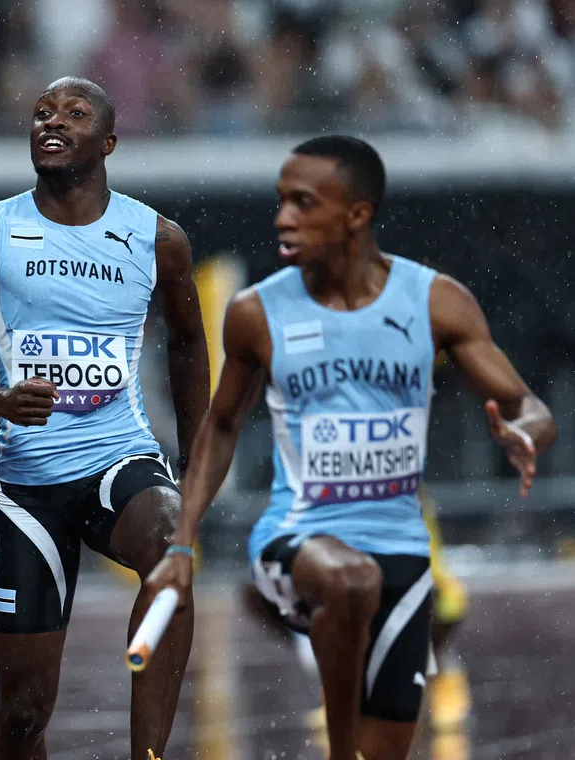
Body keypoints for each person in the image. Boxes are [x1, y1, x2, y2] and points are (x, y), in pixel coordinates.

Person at [146, 135, 556, 760]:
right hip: (297, 533)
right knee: (348, 579)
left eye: (303, 203)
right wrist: (182, 541)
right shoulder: (257, 311)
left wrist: (524, 433)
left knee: (388, 745)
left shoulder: (434, 300)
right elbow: (222, 426)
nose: (283, 217)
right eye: (281, 200)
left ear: (357, 214)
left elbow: (527, 405)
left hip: (401, 545)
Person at [0, 77, 211, 760]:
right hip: (28, 488)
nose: (52, 122)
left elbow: (191, 344)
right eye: (42, 112)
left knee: (171, 543)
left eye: (75, 115)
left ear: (108, 142)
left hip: (120, 458)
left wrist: (197, 461)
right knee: (23, 712)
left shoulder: (158, 239)